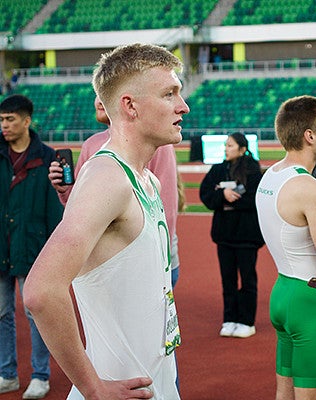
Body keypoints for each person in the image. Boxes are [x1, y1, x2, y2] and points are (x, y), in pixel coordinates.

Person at [23, 43, 189, 399]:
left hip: (154, 380)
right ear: (129, 105)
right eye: (169, 94)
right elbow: (40, 291)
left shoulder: (146, 178)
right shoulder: (107, 178)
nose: (183, 106)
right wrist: (92, 388)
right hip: (119, 387)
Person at [255, 95, 316, 400]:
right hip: (310, 298)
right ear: (310, 136)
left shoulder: (270, 176)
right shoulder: (311, 188)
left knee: (285, 392)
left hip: (282, 292)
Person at [48, 96, 182, 289]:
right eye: (96, 94)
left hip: (147, 260)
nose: (98, 101)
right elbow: (77, 207)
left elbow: (165, 210)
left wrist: (158, 261)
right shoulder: (90, 144)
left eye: (105, 94)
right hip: (104, 261)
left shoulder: (157, 143)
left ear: (128, 103)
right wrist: (64, 189)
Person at [0, 94, 63, 399]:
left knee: (34, 313)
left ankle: (40, 374)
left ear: (26, 121)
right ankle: (7, 373)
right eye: (1, 120)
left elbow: (56, 210)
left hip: (33, 248)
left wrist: (55, 253)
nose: (4, 126)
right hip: (1, 247)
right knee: (1, 313)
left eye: (10, 119)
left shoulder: (48, 157)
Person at [200, 132, 264, 338]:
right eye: (226, 145)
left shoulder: (254, 171)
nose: (225, 149)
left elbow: (257, 200)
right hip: (224, 235)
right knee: (227, 280)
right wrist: (222, 195)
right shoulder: (218, 169)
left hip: (247, 236)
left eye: (230, 145)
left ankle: (247, 321)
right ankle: (229, 319)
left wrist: (232, 200)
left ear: (242, 149)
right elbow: (206, 195)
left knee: (247, 280)